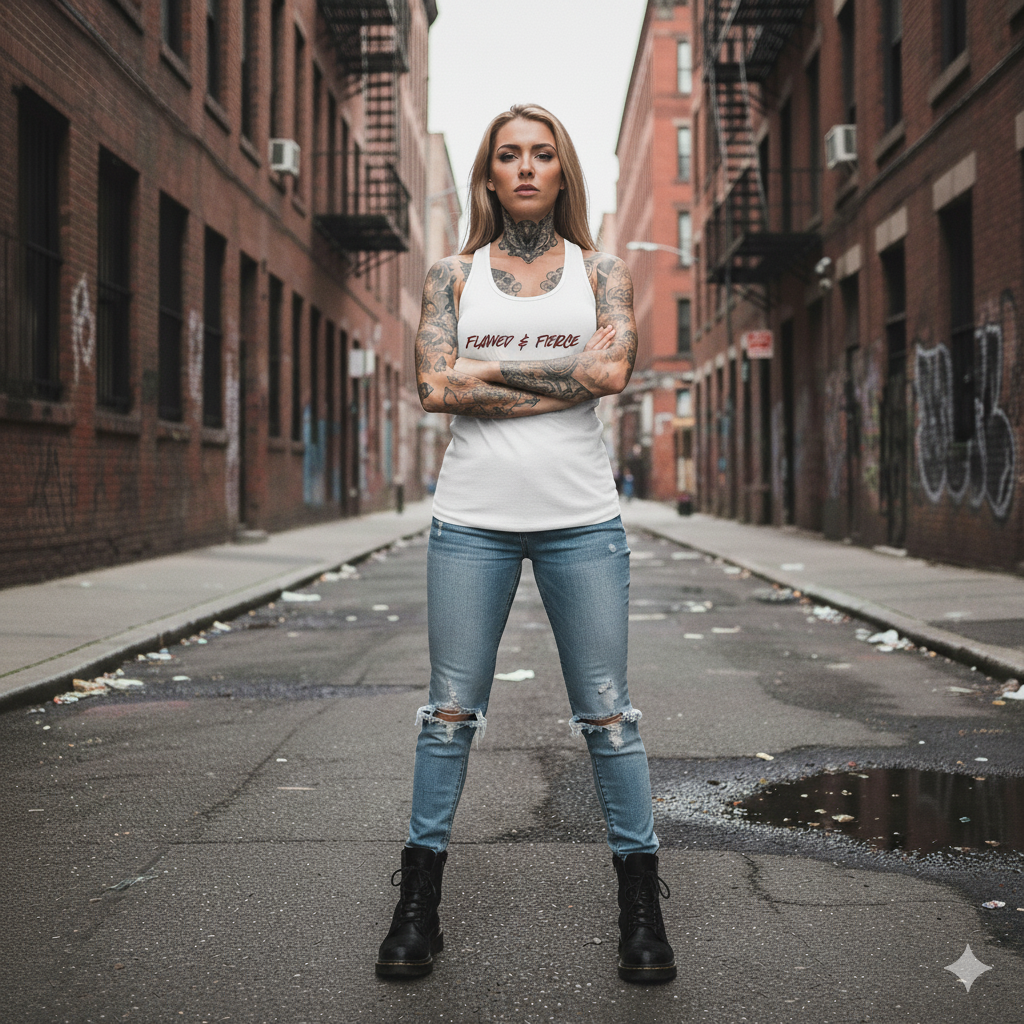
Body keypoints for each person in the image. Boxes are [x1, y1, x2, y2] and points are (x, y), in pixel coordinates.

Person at [375, 104, 675, 984]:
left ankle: (641, 908)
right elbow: (434, 387)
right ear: (489, 174)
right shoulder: (450, 276)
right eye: (509, 154)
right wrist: (560, 378)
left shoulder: (604, 271)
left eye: (543, 153)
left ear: (562, 169)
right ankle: (417, 906)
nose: (527, 166)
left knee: (610, 719)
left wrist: (488, 369)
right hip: (471, 520)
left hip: (582, 518)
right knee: (449, 717)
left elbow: (612, 373)